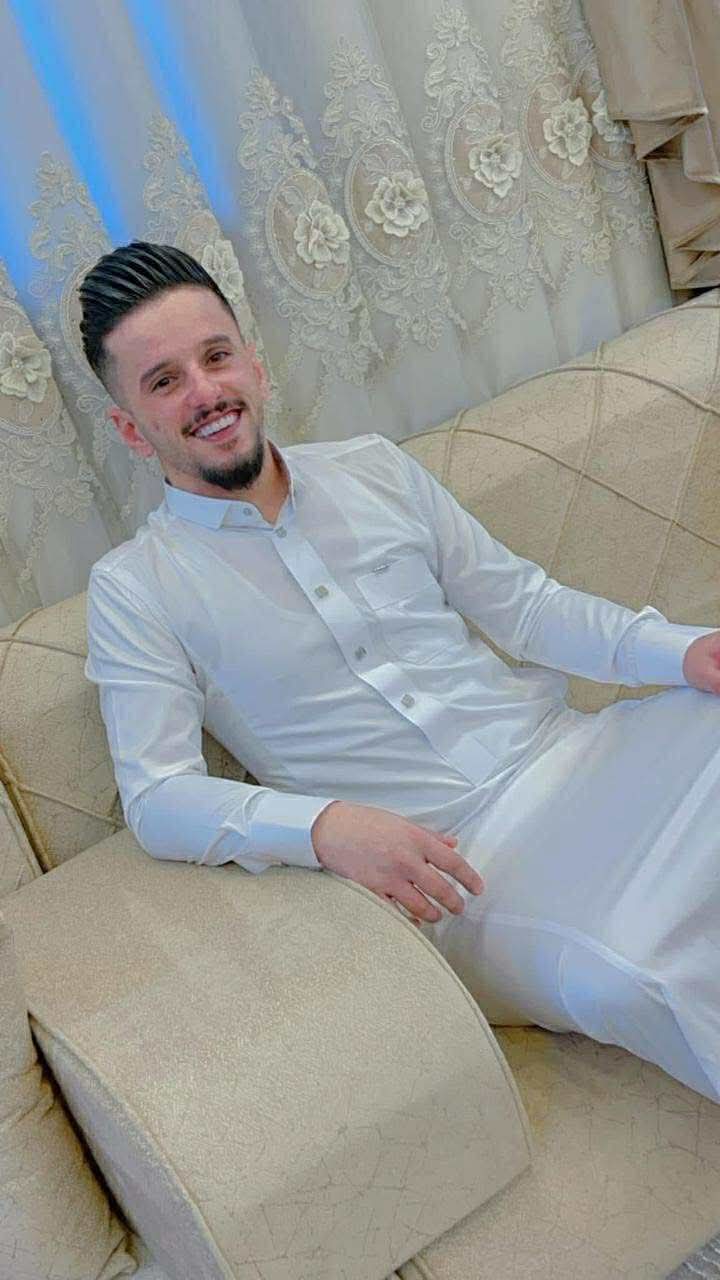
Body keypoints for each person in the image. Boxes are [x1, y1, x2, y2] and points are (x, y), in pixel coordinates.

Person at [80, 241, 720, 1102]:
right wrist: (325, 828)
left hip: (579, 751)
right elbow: (158, 797)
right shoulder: (135, 589)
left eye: (216, 357)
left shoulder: (373, 468)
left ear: (254, 364)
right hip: (463, 871)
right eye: (164, 381)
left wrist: (679, 649)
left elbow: (526, 608)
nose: (205, 393)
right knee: (640, 968)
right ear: (130, 427)